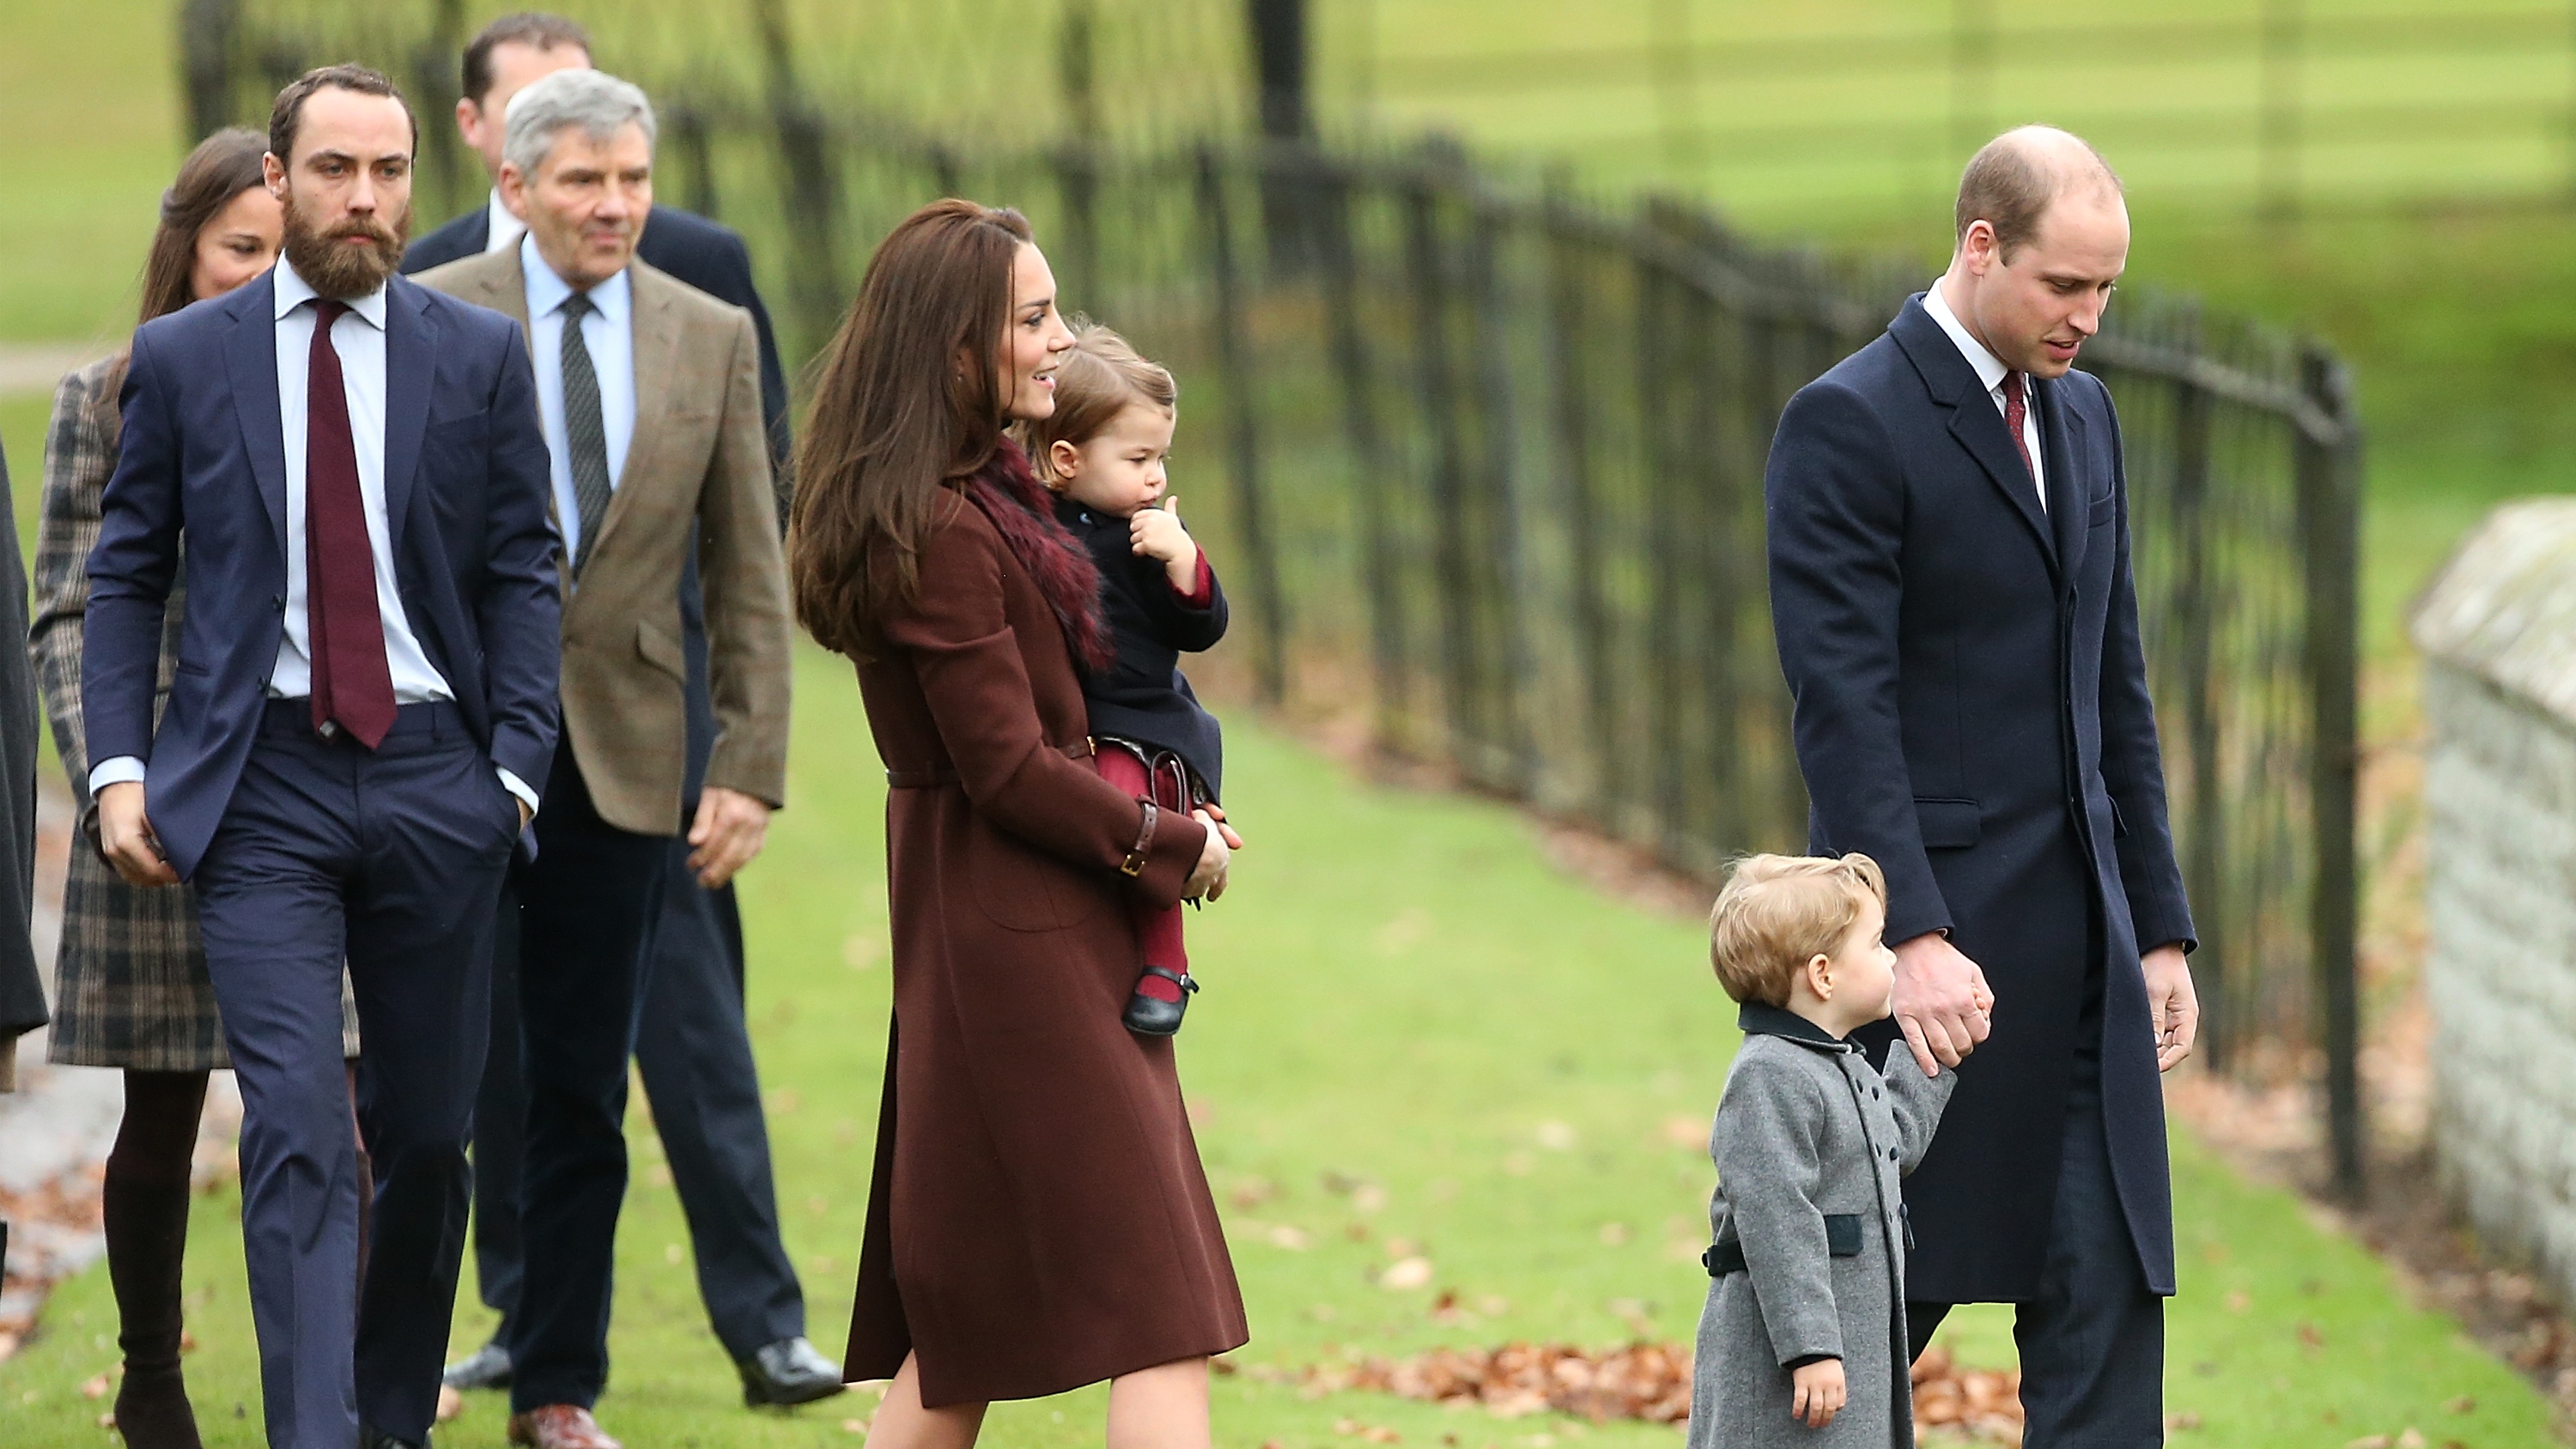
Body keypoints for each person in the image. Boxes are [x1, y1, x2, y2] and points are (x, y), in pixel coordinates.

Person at [83, 64, 561, 1449]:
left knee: (423, 1140)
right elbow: (126, 576)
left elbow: (524, 569)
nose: (366, 198)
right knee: (296, 1125)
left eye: (392, 171)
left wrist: (513, 772)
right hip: (262, 786)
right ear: (278, 178)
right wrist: (122, 766)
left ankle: (389, 1421)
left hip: (436, 776)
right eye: (338, 169)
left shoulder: (473, 355)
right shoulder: (185, 361)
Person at [407, 16, 832, 1404]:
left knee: (606, 1081)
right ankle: (404, 1370)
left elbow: (750, 563)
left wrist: (750, 761)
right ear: (515, 182)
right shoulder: (429, 312)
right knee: (450, 1086)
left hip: (644, 757)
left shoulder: (704, 326)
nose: (616, 205)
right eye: (587, 181)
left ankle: (563, 1387)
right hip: (457, 756)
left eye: (634, 179)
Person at [1762, 124, 2199, 1446]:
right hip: (1932, 978)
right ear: (1980, 245)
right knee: (1846, 1341)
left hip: (2087, 969)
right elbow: (1846, 709)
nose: (2091, 319)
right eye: (2066, 286)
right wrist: (1913, 937)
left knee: (2110, 1314)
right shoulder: (1849, 421)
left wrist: (2161, 928)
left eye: (2109, 289)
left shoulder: (2086, 413)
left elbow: (2112, 682)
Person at [798, 200, 1242, 1449]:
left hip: (1016, 925)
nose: (1060, 341)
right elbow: (1004, 766)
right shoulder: (942, 527)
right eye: (1034, 319)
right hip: (1019, 936)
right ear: (956, 349)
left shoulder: (987, 492)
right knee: (1160, 1306)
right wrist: (1177, 845)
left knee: (966, 1329)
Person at [28, 125, 369, 1449]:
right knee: (163, 1105)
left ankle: (335, 1384)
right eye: (241, 250)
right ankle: (148, 1379)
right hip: (163, 800)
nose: (263, 275)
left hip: (317, 790)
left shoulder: (344, 386)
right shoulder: (106, 398)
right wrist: (115, 774)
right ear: (186, 250)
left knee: (338, 1101)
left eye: (280, 253)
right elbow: (68, 608)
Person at [1686, 853, 1954, 1449]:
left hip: (1846, 1348)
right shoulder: (1770, 1074)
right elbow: (1776, 1218)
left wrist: (1933, 1058)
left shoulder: (1835, 1063)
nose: (1891, 957)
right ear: (1824, 975)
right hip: (1787, 1360)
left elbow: (1892, 1145)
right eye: (1878, 943)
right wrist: (1810, 1347)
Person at [1018, 324, 1236, 1036]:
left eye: (1161, 457)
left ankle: (1165, 961)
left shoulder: (1146, 536)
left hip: (1143, 721)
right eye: (1139, 457)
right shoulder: (1028, 526)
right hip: (1072, 716)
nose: (1157, 477)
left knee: (1123, 796)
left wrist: (1184, 564)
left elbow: (1200, 629)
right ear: (1064, 458)